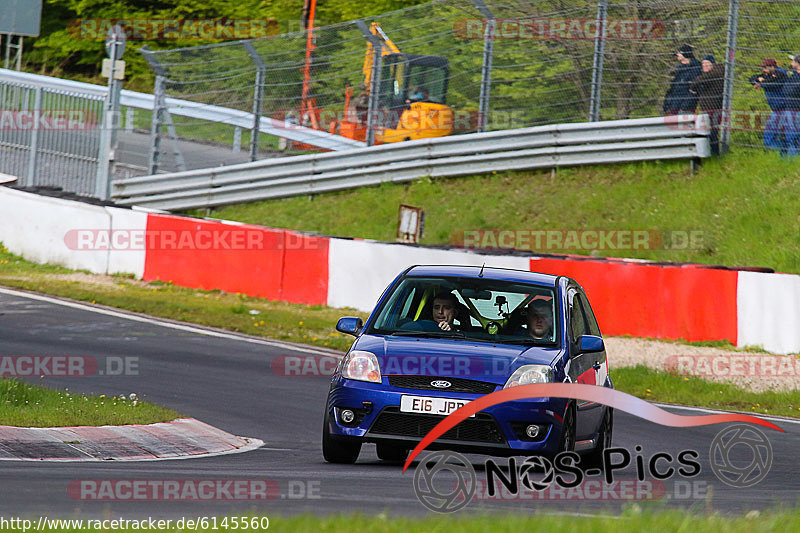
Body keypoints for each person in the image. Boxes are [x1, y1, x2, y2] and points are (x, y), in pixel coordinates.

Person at [750, 58, 788, 152]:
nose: (764, 70)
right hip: (776, 110)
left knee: (769, 138)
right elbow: (752, 78)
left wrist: (761, 83)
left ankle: (786, 151)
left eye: (766, 68)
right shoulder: (767, 75)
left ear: (772, 67)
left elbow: (771, 84)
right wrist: (758, 80)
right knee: (776, 136)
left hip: (783, 109)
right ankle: (784, 154)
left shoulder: (780, 73)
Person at [690, 54, 725, 155]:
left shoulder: (716, 72)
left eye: (707, 63)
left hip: (715, 109)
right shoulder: (707, 75)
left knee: (712, 132)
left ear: (712, 64)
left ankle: (715, 154)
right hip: (706, 109)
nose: (704, 65)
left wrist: (693, 86)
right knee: (706, 132)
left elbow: (700, 80)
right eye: (703, 63)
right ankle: (709, 153)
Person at [663, 44, 702, 116]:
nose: (677, 55)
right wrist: (667, 105)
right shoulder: (680, 70)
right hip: (673, 107)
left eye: (679, 53)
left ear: (685, 54)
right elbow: (672, 89)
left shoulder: (696, 68)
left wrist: (685, 107)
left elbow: (694, 89)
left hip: (685, 109)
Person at [782, 54, 800, 156]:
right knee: (790, 135)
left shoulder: (797, 78)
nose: (791, 63)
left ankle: (793, 158)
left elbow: (790, 90)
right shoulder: (794, 76)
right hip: (790, 108)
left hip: (795, 109)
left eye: (793, 61)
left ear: (798, 63)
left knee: (792, 136)